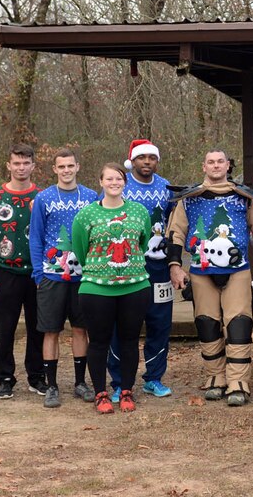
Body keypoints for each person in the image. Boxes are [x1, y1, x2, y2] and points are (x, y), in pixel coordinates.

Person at [165, 149, 253, 406]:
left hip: (237, 270)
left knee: (239, 324)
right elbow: (176, 232)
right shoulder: (188, 199)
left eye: (220, 161)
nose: (215, 165)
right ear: (203, 166)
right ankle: (215, 377)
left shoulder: (243, 196)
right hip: (201, 271)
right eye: (210, 161)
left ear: (227, 165)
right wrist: (175, 266)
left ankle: (238, 381)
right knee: (207, 323)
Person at [71, 164, 152, 413]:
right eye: (109, 178)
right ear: (101, 182)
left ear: (124, 182)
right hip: (97, 289)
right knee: (99, 342)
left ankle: (126, 390)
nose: (114, 182)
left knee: (129, 341)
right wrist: (100, 270)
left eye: (118, 178)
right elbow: (80, 249)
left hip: (134, 286)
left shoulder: (139, 212)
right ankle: (101, 393)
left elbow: (143, 241)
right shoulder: (86, 215)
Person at [106, 139, 175, 402]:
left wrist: (174, 262)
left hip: (159, 267)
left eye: (152, 158)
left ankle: (154, 378)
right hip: (126, 264)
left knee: (160, 323)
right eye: (142, 157)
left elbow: (175, 221)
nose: (147, 162)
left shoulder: (165, 186)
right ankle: (119, 382)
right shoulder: (121, 185)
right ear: (132, 160)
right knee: (121, 324)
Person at [29, 148, 99, 408]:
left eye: (70, 166)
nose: (66, 171)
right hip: (51, 275)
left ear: (78, 167)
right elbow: (35, 237)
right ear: (55, 169)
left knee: (81, 329)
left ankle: (80, 382)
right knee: (51, 331)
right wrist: (38, 273)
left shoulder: (91, 197)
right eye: (62, 167)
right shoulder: (44, 198)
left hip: (85, 277)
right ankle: (52, 386)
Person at [0, 144, 44, 400]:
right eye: (16, 163)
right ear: (8, 165)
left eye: (25, 163)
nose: (21, 167)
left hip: (37, 272)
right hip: (5, 271)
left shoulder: (42, 196)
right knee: (4, 328)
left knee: (38, 327)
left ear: (33, 166)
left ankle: (37, 375)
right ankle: (4, 377)